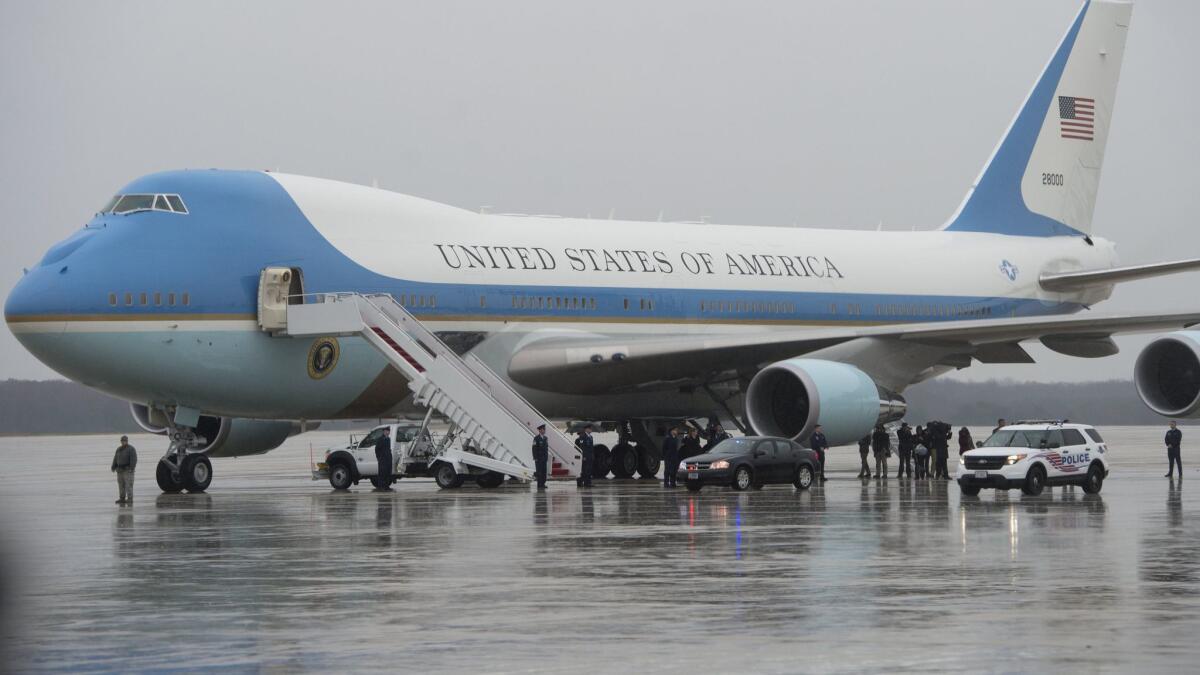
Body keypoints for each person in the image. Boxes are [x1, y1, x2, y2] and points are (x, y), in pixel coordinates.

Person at [110, 435, 137, 504]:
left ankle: (130, 499)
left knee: (129, 485)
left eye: (125, 441)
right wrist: (113, 466)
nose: (123, 442)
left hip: (128, 470)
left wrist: (132, 468)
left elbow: (134, 459)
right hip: (119, 470)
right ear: (121, 441)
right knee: (121, 485)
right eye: (122, 441)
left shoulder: (131, 449)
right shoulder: (118, 449)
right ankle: (122, 498)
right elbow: (115, 458)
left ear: (127, 441)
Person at [532, 423, 549, 490]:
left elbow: (546, 449)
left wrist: (546, 457)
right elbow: (534, 449)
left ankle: (543, 483)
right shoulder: (536, 438)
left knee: (544, 471)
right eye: (542, 429)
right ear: (539, 430)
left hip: (544, 458)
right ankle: (539, 485)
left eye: (544, 429)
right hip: (538, 458)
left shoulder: (545, 438)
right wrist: (535, 457)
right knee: (539, 472)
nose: (544, 431)